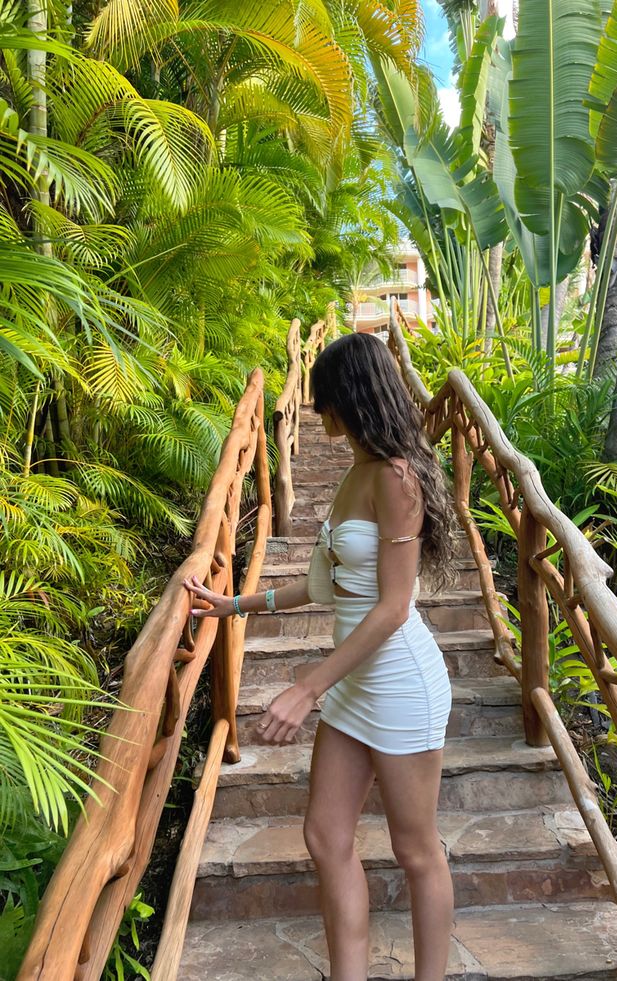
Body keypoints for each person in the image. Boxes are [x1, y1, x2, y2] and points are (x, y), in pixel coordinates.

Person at [184, 332, 458, 981]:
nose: (316, 409)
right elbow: (325, 584)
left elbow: (393, 606)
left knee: (415, 849)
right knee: (325, 834)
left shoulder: (396, 476)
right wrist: (236, 606)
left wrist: (306, 687)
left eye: (324, 397)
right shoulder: (357, 471)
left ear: (352, 396)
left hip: (399, 682)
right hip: (355, 683)